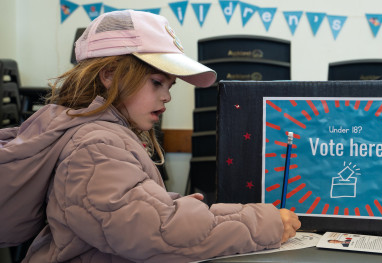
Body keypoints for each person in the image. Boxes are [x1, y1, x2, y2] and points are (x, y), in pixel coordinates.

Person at [0, 10, 300, 262]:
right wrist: (262, 223)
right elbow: (156, 233)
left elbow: (146, 216)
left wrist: (186, 209)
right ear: (109, 75)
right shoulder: (95, 146)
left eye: (170, 86)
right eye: (157, 82)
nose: (167, 96)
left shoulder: (103, 136)